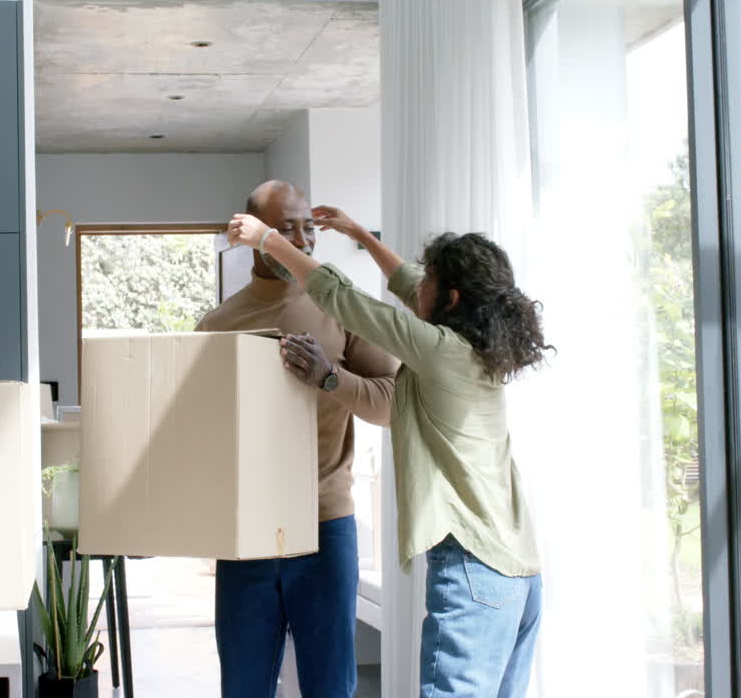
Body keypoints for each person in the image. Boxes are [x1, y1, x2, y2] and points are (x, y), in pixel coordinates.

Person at [228, 205, 550, 697]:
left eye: (431, 281)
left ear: (452, 298)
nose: (416, 286)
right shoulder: (479, 346)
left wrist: (269, 239)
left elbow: (342, 298)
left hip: (473, 569)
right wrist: (359, 233)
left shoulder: (439, 348)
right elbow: (409, 281)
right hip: (520, 574)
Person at [198, 180, 399, 698]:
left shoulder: (344, 308)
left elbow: (394, 402)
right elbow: (197, 436)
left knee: (330, 686)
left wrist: (331, 376)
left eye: (308, 227)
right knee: (243, 686)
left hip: (324, 524)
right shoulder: (216, 325)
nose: (302, 239)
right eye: (285, 228)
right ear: (252, 234)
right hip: (245, 532)